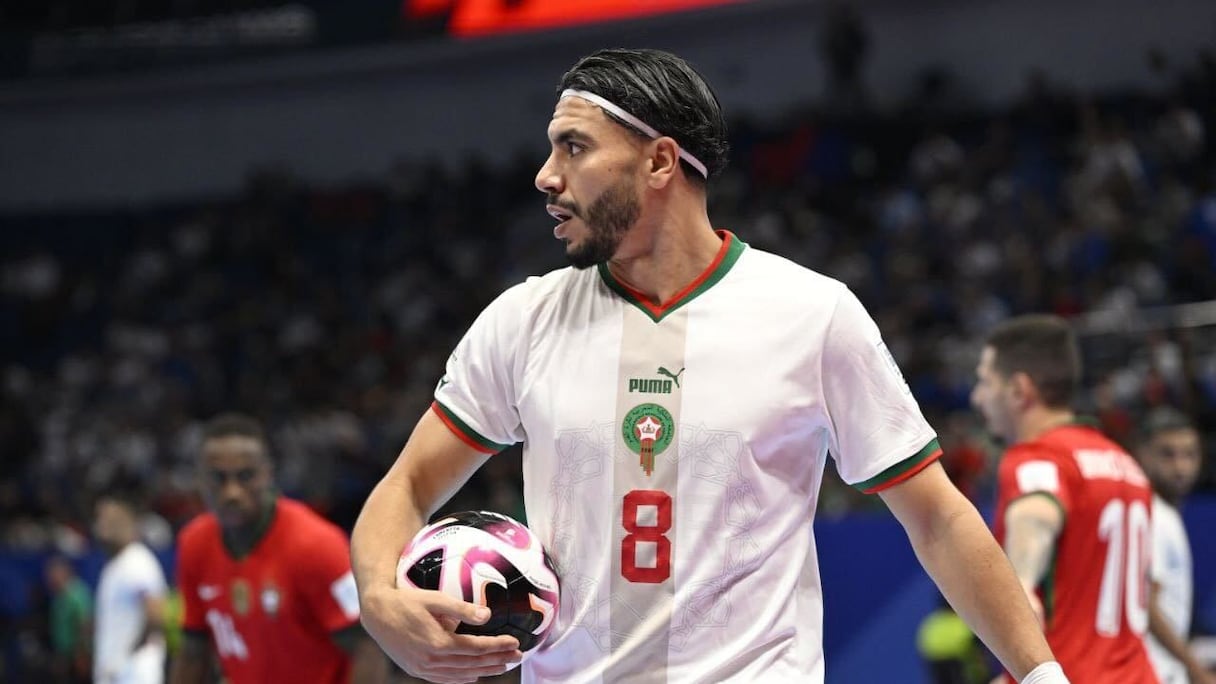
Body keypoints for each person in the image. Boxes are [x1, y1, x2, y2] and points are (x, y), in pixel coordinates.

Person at [352, 48, 1067, 684]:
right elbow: (408, 485)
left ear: (660, 162)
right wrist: (380, 602)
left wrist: (1041, 676)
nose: (546, 176)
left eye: (574, 147)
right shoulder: (522, 320)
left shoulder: (812, 314)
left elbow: (937, 518)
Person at [971, 314, 1158, 682]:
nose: (977, 397)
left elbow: (1036, 514)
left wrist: (1021, 582)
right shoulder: (1126, 464)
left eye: (986, 381)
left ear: (1019, 390)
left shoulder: (1037, 458)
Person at [168, 413, 387, 684]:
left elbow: (368, 648)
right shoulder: (193, 544)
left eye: (246, 476)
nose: (232, 492)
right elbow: (193, 650)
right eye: (218, 478)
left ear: (268, 473)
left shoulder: (318, 546)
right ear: (199, 479)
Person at [1136, 407, 1215, 684]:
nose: (1180, 467)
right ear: (1143, 454)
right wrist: (1196, 671)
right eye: (1167, 454)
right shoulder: (1154, 515)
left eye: (1189, 455)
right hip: (1154, 670)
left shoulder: (1163, 513)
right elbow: (1147, 606)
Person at [93, 492, 170, 684]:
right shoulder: (113, 566)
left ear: (128, 524)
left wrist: (127, 659)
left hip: (134, 673)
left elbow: (156, 615)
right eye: (101, 520)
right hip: (114, 672)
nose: (104, 526)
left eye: (111, 521)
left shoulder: (138, 560)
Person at [44, 555, 93, 683]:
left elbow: (85, 624)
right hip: (64, 655)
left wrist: (82, 654)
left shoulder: (77, 594)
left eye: (53, 574)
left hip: (78, 656)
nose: (50, 579)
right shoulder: (58, 596)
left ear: (64, 573)